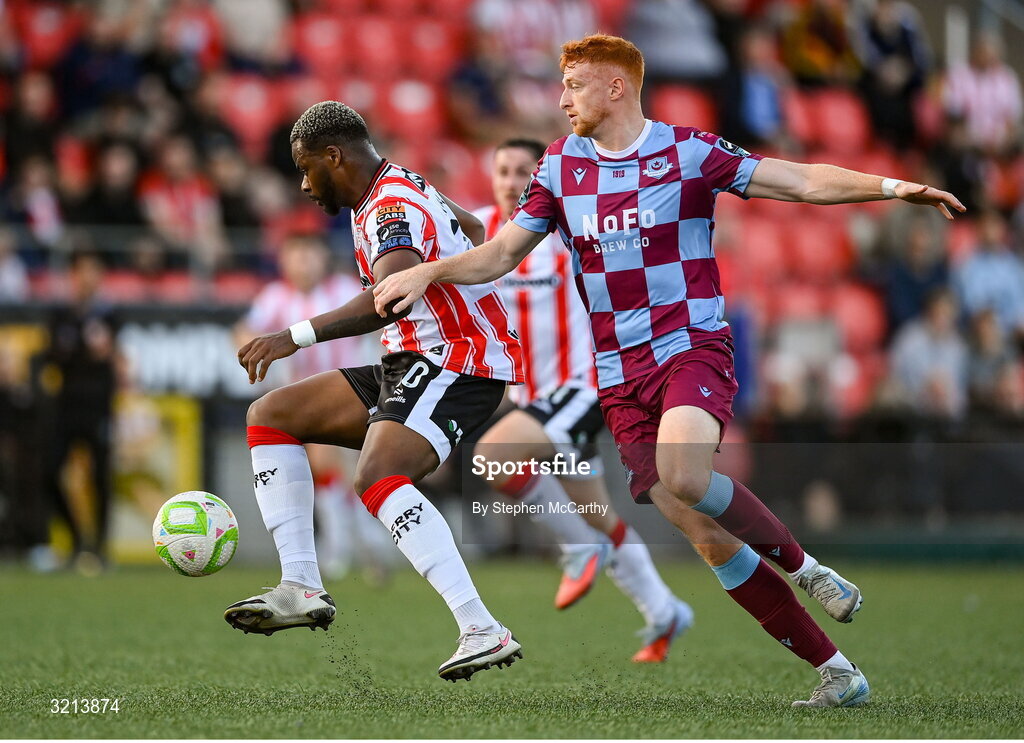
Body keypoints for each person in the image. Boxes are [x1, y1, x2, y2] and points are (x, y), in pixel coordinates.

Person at [374, 34, 966, 707]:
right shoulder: (562, 166)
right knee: (708, 538)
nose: (562, 98)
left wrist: (892, 187)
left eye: (574, 83)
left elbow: (798, 180)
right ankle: (838, 671)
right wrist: (430, 270)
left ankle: (808, 568)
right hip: (619, 377)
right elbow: (500, 253)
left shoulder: (688, 152)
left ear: (616, 87)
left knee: (686, 473)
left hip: (689, 347)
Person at [227, 101, 524, 682]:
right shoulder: (401, 184)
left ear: (334, 156)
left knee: (376, 476)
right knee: (271, 416)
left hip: (457, 360)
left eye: (306, 167)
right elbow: (472, 226)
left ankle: (481, 627)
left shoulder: (390, 205)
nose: (304, 183)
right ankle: (301, 586)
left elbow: (389, 296)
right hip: (410, 357)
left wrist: (295, 336)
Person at [473, 138, 693, 662]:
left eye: (521, 171)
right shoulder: (477, 232)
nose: (509, 181)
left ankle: (575, 549)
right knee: (600, 513)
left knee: (493, 457)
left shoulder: (566, 231)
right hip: (531, 399)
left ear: (539, 179)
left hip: (582, 388)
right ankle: (665, 611)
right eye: (501, 169)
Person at [235, 232, 390, 581]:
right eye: (296, 255)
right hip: (309, 399)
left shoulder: (344, 290)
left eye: (310, 254)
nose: (303, 262)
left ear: (323, 258)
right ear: (284, 261)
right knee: (331, 470)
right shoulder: (276, 297)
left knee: (351, 474)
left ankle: (351, 546)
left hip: (354, 391)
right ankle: (355, 546)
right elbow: (244, 332)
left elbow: (380, 325)